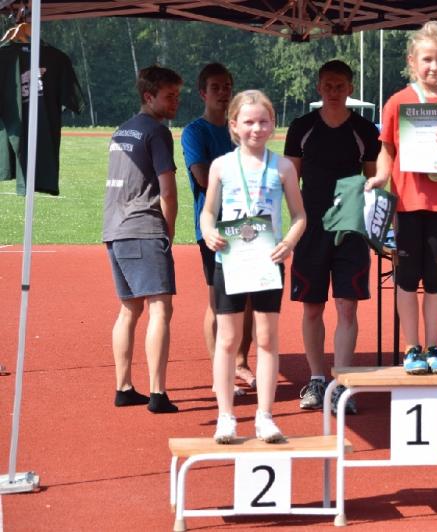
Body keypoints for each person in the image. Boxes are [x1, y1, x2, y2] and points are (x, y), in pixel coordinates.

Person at [366, 21, 437, 375]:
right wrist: (380, 177)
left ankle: (434, 347)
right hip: (407, 203)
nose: (434, 66)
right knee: (407, 276)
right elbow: (386, 150)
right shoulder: (398, 102)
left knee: (435, 277)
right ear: (412, 62)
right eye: (427, 59)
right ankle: (412, 348)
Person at [201, 90, 306, 443]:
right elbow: (207, 213)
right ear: (234, 125)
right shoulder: (221, 166)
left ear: (273, 124)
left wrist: (288, 243)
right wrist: (208, 232)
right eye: (248, 122)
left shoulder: (283, 167)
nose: (256, 129)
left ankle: (265, 416)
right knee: (228, 339)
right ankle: (226, 417)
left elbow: (300, 215)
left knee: (266, 338)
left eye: (263, 121)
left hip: (267, 261)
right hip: (230, 261)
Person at [284, 60, 380, 415]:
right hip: (311, 228)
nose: (334, 92)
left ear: (350, 89)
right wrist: (297, 222)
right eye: (328, 85)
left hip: (349, 228)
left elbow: (372, 180)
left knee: (346, 306)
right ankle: (316, 379)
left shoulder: (364, 130)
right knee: (312, 306)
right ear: (319, 87)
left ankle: (342, 384)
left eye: (340, 86)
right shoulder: (302, 127)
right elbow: (289, 180)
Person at [103, 65, 182, 414]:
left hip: (114, 228)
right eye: (169, 96)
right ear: (149, 97)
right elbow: (168, 190)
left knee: (130, 308)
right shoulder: (157, 132)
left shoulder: (121, 131)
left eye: (177, 95)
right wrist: (169, 228)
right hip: (143, 227)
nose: (175, 102)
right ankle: (157, 393)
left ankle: (123, 386)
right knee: (160, 308)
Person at [181, 63, 256, 398]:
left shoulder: (239, 129)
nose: (223, 93)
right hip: (214, 228)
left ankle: (241, 362)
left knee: (249, 297)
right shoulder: (194, 132)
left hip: (248, 225)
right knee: (219, 301)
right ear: (203, 93)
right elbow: (202, 178)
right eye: (216, 87)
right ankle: (219, 373)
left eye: (227, 86)